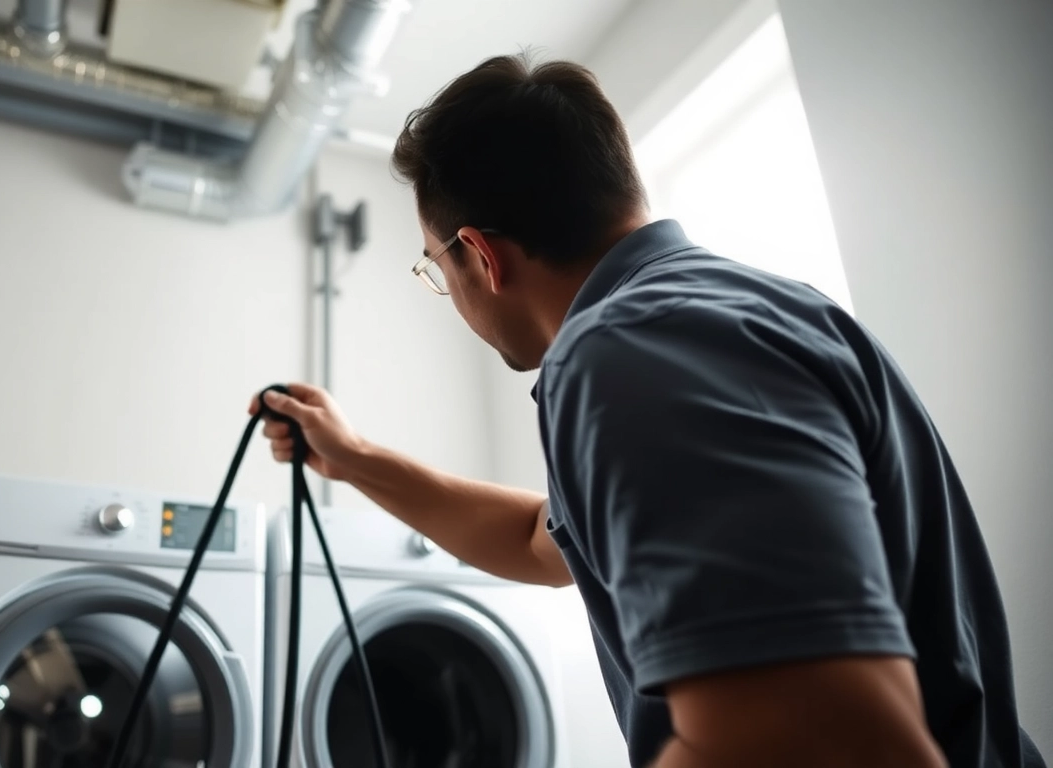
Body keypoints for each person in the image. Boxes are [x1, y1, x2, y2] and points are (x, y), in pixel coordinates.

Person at [250, 55, 1047, 768]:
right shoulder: (730, 315)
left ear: (482, 257)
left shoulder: (635, 349)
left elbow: (817, 730)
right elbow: (541, 543)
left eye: (436, 266)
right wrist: (351, 457)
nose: (446, 289)